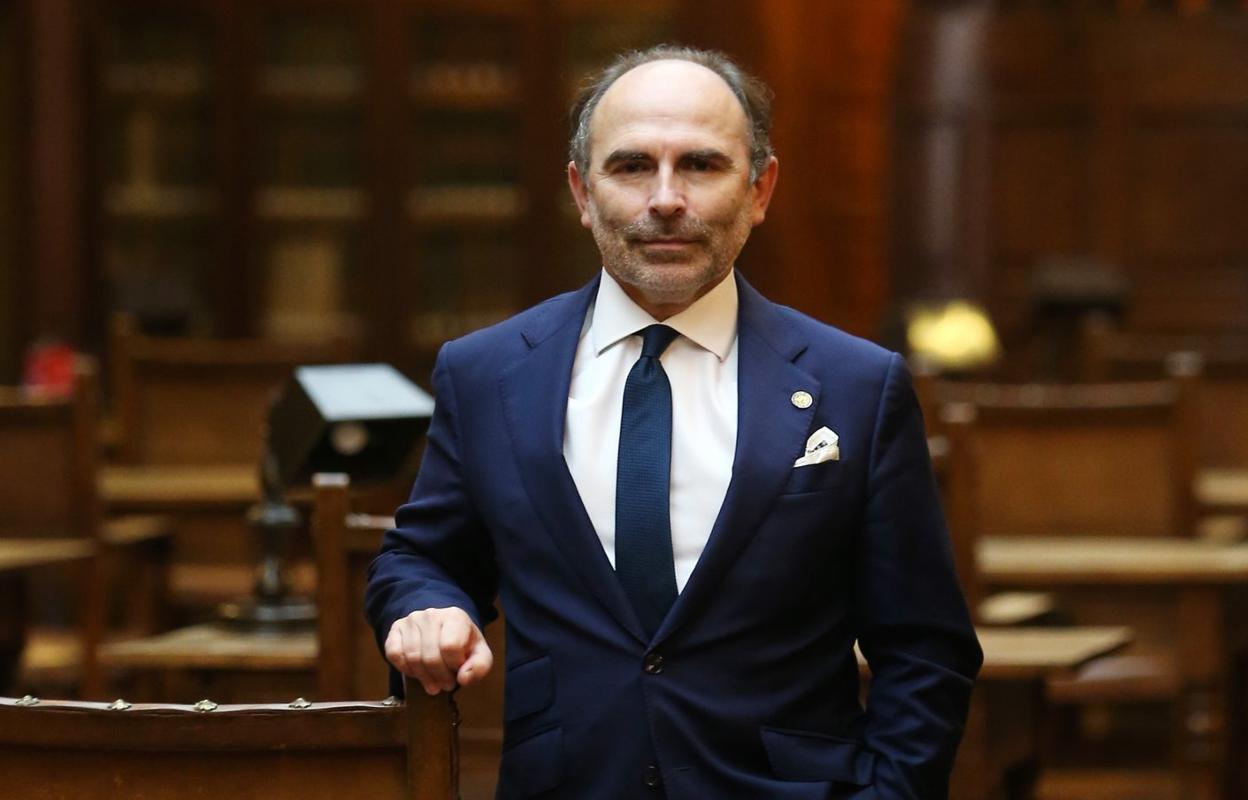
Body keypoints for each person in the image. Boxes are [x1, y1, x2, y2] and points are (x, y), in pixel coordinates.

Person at [366, 45, 982, 800]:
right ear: (581, 192)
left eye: (699, 164)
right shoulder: (487, 373)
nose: (664, 198)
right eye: (630, 167)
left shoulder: (856, 385)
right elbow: (423, 556)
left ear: (761, 189)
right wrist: (425, 606)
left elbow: (924, 647)